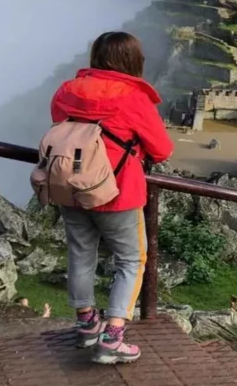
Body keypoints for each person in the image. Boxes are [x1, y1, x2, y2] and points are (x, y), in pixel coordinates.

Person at [48, 31, 174, 365]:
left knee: (80, 253)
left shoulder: (67, 90)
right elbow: (162, 150)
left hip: (70, 187)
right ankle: (113, 336)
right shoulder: (134, 98)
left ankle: (87, 323)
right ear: (134, 61)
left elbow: (64, 127)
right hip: (116, 193)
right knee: (131, 260)